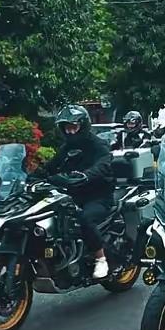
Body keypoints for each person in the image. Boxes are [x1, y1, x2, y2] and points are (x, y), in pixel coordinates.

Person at [39, 104, 116, 281]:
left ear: (83, 125)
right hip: (74, 194)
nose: (71, 132)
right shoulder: (66, 148)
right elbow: (51, 167)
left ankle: (100, 258)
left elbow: (104, 164)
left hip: (98, 196)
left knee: (83, 217)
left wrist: (86, 175)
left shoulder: (98, 144)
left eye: (74, 127)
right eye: (67, 128)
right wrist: (32, 176)